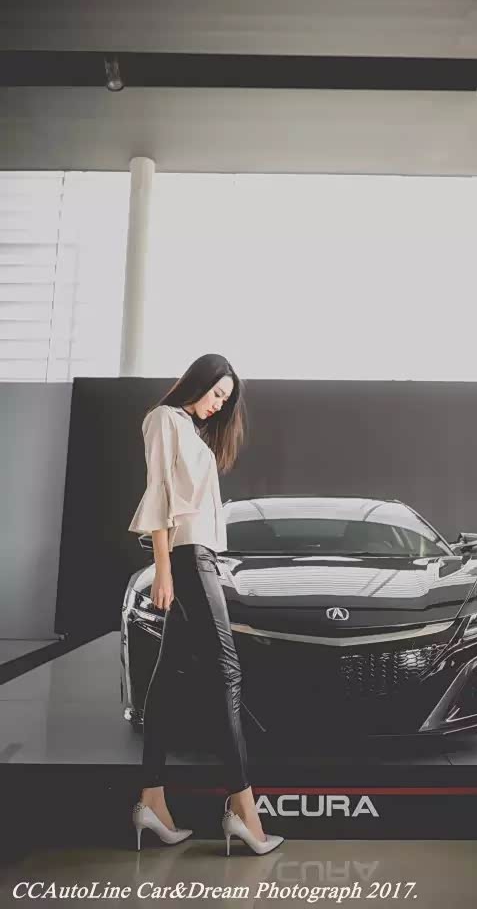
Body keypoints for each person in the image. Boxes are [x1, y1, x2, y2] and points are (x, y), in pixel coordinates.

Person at [128, 353, 283, 856]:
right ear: (198, 381)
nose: (218, 405)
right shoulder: (165, 419)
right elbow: (158, 494)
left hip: (203, 557)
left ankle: (152, 800)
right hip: (188, 557)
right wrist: (164, 569)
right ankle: (243, 808)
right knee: (226, 670)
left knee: (168, 675)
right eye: (217, 393)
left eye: (225, 399)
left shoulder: (193, 433)